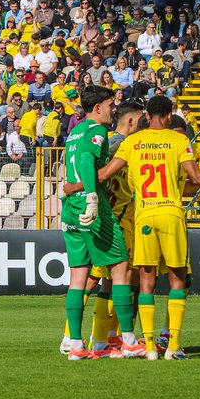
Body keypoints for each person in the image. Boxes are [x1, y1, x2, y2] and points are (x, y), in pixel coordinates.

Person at [118, 95, 200, 360]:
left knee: (146, 281)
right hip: (171, 212)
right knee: (178, 279)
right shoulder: (179, 140)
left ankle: (148, 347)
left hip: (144, 215)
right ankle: (173, 346)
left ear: (146, 115)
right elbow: (196, 177)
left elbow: (108, 172)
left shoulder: (132, 142)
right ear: (169, 115)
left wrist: (78, 185)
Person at [57, 85, 138, 361]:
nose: (112, 109)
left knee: (78, 275)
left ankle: (76, 345)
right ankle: (128, 341)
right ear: (98, 107)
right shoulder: (96, 130)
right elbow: (86, 160)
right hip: (90, 205)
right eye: (109, 104)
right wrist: (91, 196)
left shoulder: (74, 132)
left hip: (69, 208)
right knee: (120, 268)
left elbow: (77, 158)